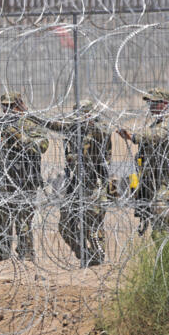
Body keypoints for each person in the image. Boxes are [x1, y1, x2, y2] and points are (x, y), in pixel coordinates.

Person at [30, 99, 113, 266]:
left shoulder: (100, 130)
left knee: (93, 226)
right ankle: (84, 254)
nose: (77, 118)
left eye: (81, 114)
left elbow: (103, 135)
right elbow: (53, 124)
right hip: (74, 185)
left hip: (94, 183)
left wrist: (89, 123)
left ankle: (98, 259)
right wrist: (31, 116)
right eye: (76, 114)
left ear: (90, 114)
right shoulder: (73, 127)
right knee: (65, 225)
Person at [0, 92, 49, 261]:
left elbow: (42, 146)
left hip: (26, 181)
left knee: (24, 224)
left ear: (20, 105)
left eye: (12, 106)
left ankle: (27, 257)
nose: (8, 110)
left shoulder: (31, 124)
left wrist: (18, 137)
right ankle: (2, 259)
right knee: (1, 224)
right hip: (2, 182)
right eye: (5, 106)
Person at [117, 87, 169, 235]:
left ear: (165, 103)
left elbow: (158, 135)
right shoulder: (155, 124)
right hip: (153, 179)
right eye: (150, 104)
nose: (151, 107)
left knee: (163, 228)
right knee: (158, 229)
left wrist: (134, 136)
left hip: (168, 178)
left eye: (154, 103)